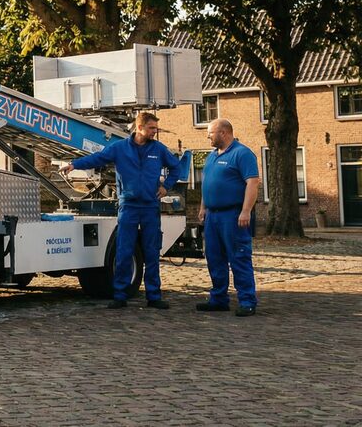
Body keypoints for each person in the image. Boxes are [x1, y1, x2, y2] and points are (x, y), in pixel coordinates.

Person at [61, 111, 185, 309]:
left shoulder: (159, 149)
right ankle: (120, 295)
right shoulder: (119, 148)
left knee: (152, 252)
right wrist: (74, 164)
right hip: (128, 206)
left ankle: (154, 296)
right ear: (139, 128)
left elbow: (176, 167)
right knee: (124, 250)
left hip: (150, 206)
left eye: (156, 128)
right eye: (152, 128)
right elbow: (97, 159)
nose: (155, 132)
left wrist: (166, 186)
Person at [197, 118, 260, 316]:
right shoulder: (211, 156)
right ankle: (218, 299)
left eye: (211, 132)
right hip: (212, 216)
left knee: (239, 257)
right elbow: (207, 183)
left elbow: (252, 183)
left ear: (224, 133)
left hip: (232, 215)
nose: (208, 136)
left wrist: (246, 210)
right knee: (214, 258)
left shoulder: (242, 154)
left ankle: (247, 301)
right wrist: (203, 206)